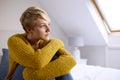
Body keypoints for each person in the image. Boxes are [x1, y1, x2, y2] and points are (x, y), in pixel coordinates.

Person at [6, 6, 76, 80]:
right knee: (37, 62)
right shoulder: (14, 40)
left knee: (54, 59)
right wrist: (57, 42)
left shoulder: (47, 43)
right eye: (43, 26)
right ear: (29, 29)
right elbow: (36, 62)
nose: (48, 30)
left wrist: (34, 75)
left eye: (48, 25)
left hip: (30, 76)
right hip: (18, 77)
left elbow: (71, 60)